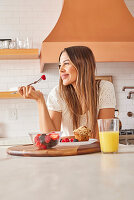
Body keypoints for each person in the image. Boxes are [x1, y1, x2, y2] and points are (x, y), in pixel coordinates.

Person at [18, 46, 116, 139]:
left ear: (82, 64)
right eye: (60, 65)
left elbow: (101, 137)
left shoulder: (104, 88)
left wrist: (68, 139)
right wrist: (40, 100)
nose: (61, 69)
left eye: (66, 63)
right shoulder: (57, 94)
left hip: (96, 154)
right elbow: (50, 137)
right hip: (69, 155)